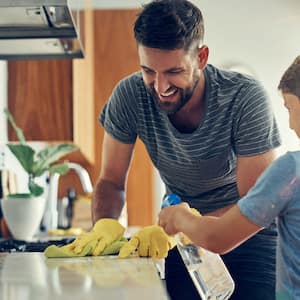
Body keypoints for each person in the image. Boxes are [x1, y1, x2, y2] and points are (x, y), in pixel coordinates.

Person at [92, 0, 281, 299]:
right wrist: (103, 230)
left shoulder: (244, 98)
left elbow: (255, 204)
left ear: (202, 57)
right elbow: (111, 182)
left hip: (249, 238)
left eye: (174, 71)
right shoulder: (129, 96)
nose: (160, 86)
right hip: (184, 243)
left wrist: (189, 222)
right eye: (149, 71)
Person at [159, 55, 300, 300]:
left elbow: (218, 238)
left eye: (289, 107)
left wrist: (180, 217)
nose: (288, 124)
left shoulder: (291, 171)